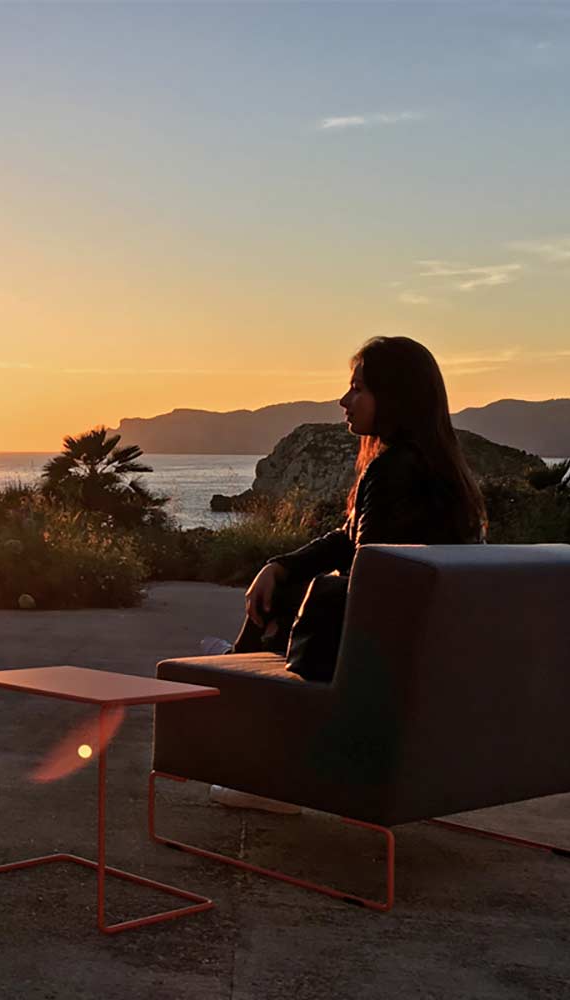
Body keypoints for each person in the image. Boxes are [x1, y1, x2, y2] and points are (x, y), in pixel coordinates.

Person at [209, 335, 486, 811]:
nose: (344, 400)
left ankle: (268, 762)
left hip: (374, 654)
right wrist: (280, 564)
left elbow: (371, 571)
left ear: (394, 396)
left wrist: (291, 590)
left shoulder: (392, 470)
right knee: (287, 586)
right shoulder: (442, 473)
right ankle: (239, 662)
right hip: (421, 647)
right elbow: (352, 538)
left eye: (358, 389)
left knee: (293, 598)